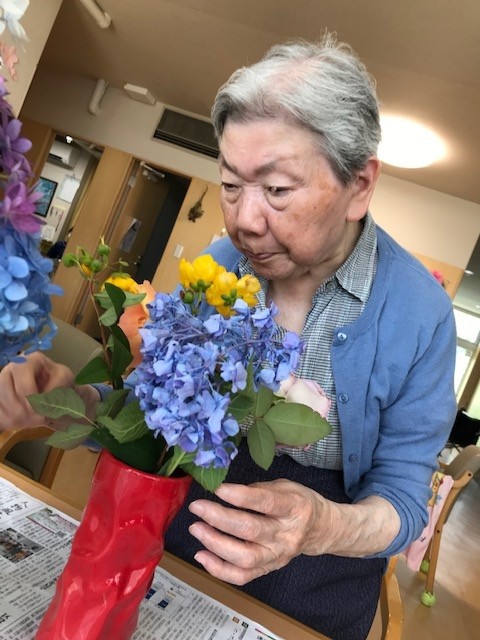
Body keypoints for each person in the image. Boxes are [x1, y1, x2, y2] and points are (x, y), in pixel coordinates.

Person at [0, 34, 457, 640]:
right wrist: (71, 403)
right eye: (231, 184)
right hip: (171, 561)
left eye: (277, 190)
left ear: (360, 185)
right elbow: (152, 417)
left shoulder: (421, 314)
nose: (243, 220)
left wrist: (320, 524)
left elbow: (402, 500)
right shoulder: (220, 268)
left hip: (313, 599)